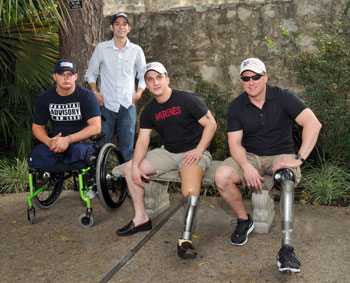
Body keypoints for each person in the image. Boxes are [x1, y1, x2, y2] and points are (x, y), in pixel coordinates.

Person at [214, 58, 322, 272]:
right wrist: (245, 166)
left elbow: (313, 123)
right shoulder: (236, 106)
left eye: (256, 77)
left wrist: (299, 158)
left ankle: (287, 249)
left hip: (280, 155)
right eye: (246, 78)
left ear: (265, 77)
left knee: (287, 178)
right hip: (250, 155)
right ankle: (244, 220)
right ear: (242, 81)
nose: (251, 82)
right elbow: (234, 143)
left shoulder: (283, 96)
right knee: (222, 176)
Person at [117, 62, 217, 259]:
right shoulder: (148, 110)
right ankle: (141, 219)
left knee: (189, 190)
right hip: (168, 152)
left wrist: (199, 150)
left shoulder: (187, 99)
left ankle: (186, 239)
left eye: (159, 77)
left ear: (167, 79)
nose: (155, 82)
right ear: (146, 84)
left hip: (193, 152)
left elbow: (211, 124)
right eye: (150, 79)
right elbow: (143, 140)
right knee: (129, 169)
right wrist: (136, 166)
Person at [85, 12, 146, 162]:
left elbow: (143, 76)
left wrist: (138, 93)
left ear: (129, 28)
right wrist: (94, 92)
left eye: (124, 24)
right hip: (106, 104)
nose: (121, 27)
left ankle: (127, 183)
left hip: (128, 104)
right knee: (102, 146)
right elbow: (90, 73)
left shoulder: (136, 50)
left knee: (128, 148)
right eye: (117, 24)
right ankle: (100, 181)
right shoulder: (102, 48)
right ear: (111, 27)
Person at [29, 59, 101, 169]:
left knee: (80, 154)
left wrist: (67, 140)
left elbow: (96, 127)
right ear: (54, 76)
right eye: (61, 74)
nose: (66, 78)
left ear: (76, 77)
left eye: (70, 74)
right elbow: (37, 127)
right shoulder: (45, 98)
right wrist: (49, 142)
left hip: (80, 143)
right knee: (37, 155)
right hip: (55, 144)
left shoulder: (87, 96)